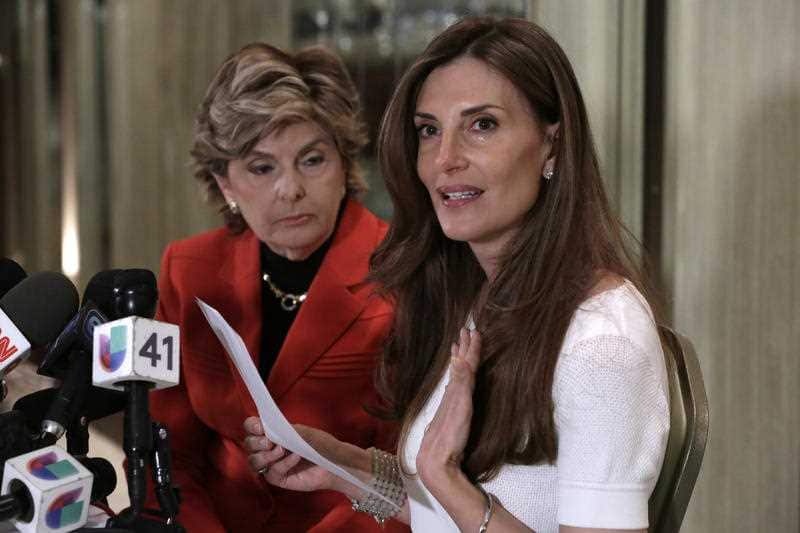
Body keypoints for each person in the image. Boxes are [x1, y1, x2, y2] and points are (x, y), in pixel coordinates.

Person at [243, 16, 670, 533]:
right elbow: (447, 515)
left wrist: (445, 478)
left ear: (552, 145)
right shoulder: (483, 299)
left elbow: (453, 494)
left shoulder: (601, 342)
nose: (444, 159)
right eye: (429, 130)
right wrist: (344, 465)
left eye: (482, 125)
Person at [149, 42, 408, 532]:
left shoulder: (405, 274)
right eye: (262, 168)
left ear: (344, 163)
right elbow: (167, 455)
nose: (289, 189)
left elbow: (411, 475)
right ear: (225, 183)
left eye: (312, 160)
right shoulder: (189, 270)